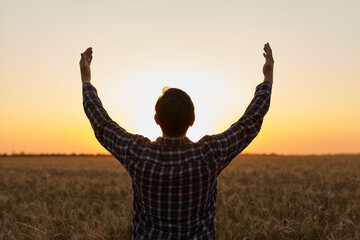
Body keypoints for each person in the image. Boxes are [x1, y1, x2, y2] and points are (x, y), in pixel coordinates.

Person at [80, 43, 274, 239]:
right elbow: (250, 122)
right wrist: (267, 77)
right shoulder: (209, 155)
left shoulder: (138, 154)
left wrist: (86, 80)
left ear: (156, 120)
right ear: (192, 120)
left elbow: (102, 125)